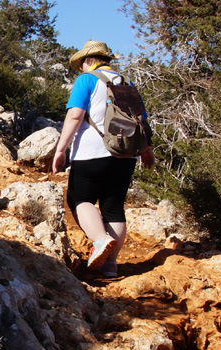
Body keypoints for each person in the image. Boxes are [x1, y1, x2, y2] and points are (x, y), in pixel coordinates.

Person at [51, 40, 154, 276]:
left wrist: (60, 148)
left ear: (88, 61)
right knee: (114, 206)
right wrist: (146, 151)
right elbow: (141, 121)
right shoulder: (128, 83)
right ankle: (111, 264)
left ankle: (99, 241)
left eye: (83, 64)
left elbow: (76, 116)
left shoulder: (86, 80)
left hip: (91, 152)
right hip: (126, 153)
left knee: (80, 199)